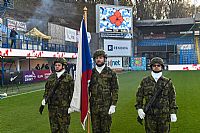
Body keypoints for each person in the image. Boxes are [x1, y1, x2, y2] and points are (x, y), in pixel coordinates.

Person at [135, 57, 178, 133]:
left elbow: (172, 98)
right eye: (154, 65)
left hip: (164, 116)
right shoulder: (145, 81)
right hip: (150, 116)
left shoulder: (167, 82)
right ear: (151, 67)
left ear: (162, 66)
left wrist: (173, 112)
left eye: (158, 65)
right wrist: (139, 108)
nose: (156, 67)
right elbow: (139, 96)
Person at [39, 58, 74, 133]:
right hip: (52, 108)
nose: (57, 66)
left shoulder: (69, 78)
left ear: (63, 66)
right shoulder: (51, 77)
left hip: (64, 108)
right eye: (56, 65)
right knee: (54, 129)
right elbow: (47, 90)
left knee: (64, 129)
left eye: (59, 65)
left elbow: (72, 93)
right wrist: (44, 100)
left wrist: (72, 106)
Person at [89, 49, 119, 133]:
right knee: (95, 129)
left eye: (101, 57)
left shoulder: (111, 72)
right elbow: (86, 91)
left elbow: (115, 89)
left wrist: (113, 104)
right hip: (94, 105)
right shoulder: (90, 73)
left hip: (106, 105)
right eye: (97, 58)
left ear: (104, 59)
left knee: (105, 129)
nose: (98, 59)